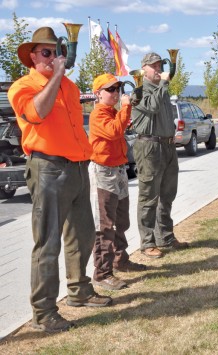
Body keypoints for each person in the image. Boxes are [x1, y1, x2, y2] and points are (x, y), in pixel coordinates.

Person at [8, 27, 112, 333]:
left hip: (78, 167)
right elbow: (37, 113)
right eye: (46, 53)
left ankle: (79, 291)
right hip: (48, 169)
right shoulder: (23, 87)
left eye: (57, 52)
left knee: (83, 235)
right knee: (48, 243)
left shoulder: (68, 86)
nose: (53, 58)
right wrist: (56, 76)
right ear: (32, 56)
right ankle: (43, 312)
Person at [88, 74, 147, 291]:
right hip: (103, 172)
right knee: (104, 225)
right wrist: (125, 108)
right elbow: (114, 132)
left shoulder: (112, 112)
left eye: (118, 88)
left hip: (118, 170)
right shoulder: (98, 115)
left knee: (121, 221)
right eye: (110, 89)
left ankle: (120, 260)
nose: (115, 93)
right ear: (98, 93)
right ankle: (102, 273)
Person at [131, 52, 189, 258]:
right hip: (149, 148)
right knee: (149, 197)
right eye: (154, 66)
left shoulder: (161, 90)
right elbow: (152, 107)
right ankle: (147, 243)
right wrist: (163, 84)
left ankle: (165, 235)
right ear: (143, 69)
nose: (158, 69)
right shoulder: (139, 90)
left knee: (167, 194)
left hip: (167, 146)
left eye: (160, 65)